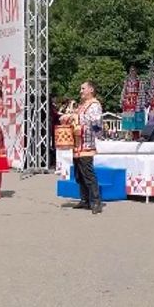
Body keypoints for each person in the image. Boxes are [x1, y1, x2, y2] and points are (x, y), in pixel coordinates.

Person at [61, 81, 104, 214]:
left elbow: (96, 121)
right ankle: (85, 200)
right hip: (77, 144)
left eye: (83, 88)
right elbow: (76, 118)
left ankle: (96, 201)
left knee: (88, 174)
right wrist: (68, 117)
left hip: (86, 143)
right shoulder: (82, 105)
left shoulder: (95, 105)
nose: (81, 91)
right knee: (79, 174)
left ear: (91, 90)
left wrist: (76, 116)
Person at [119, 66, 146, 141]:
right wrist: (122, 101)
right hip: (128, 101)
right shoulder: (126, 81)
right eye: (131, 71)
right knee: (128, 119)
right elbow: (124, 91)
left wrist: (141, 103)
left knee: (137, 118)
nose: (132, 72)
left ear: (136, 72)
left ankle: (136, 135)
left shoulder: (140, 81)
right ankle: (127, 136)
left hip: (136, 100)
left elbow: (142, 92)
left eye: (134, 70)